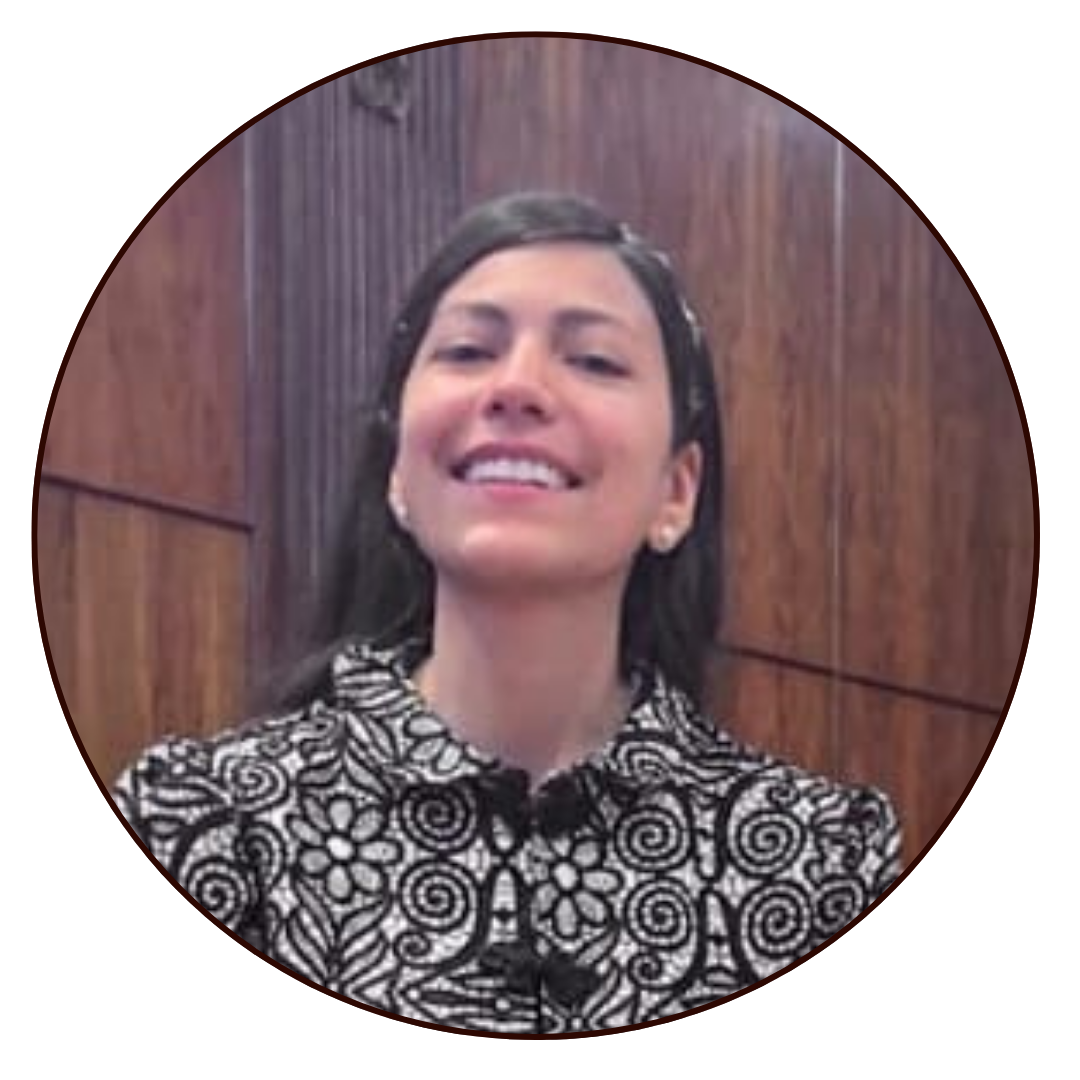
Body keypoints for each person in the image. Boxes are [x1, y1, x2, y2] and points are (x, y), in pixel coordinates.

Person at [113, 193, 902, 1032]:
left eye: (594, 360)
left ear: (677, 492)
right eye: (467, 350)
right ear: (397, 474)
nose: (517, 387)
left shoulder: (826, 864)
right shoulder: (204, 822)